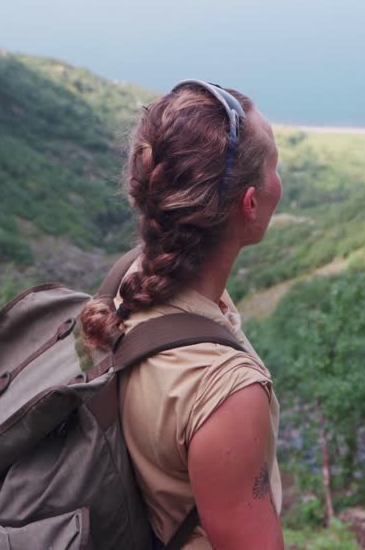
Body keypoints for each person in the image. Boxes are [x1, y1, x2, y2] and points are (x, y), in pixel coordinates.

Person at [80, 80, 285, 550]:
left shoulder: (129, 281)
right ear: (250, 204)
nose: (280, 179)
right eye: (274, 164)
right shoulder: (226, 392)